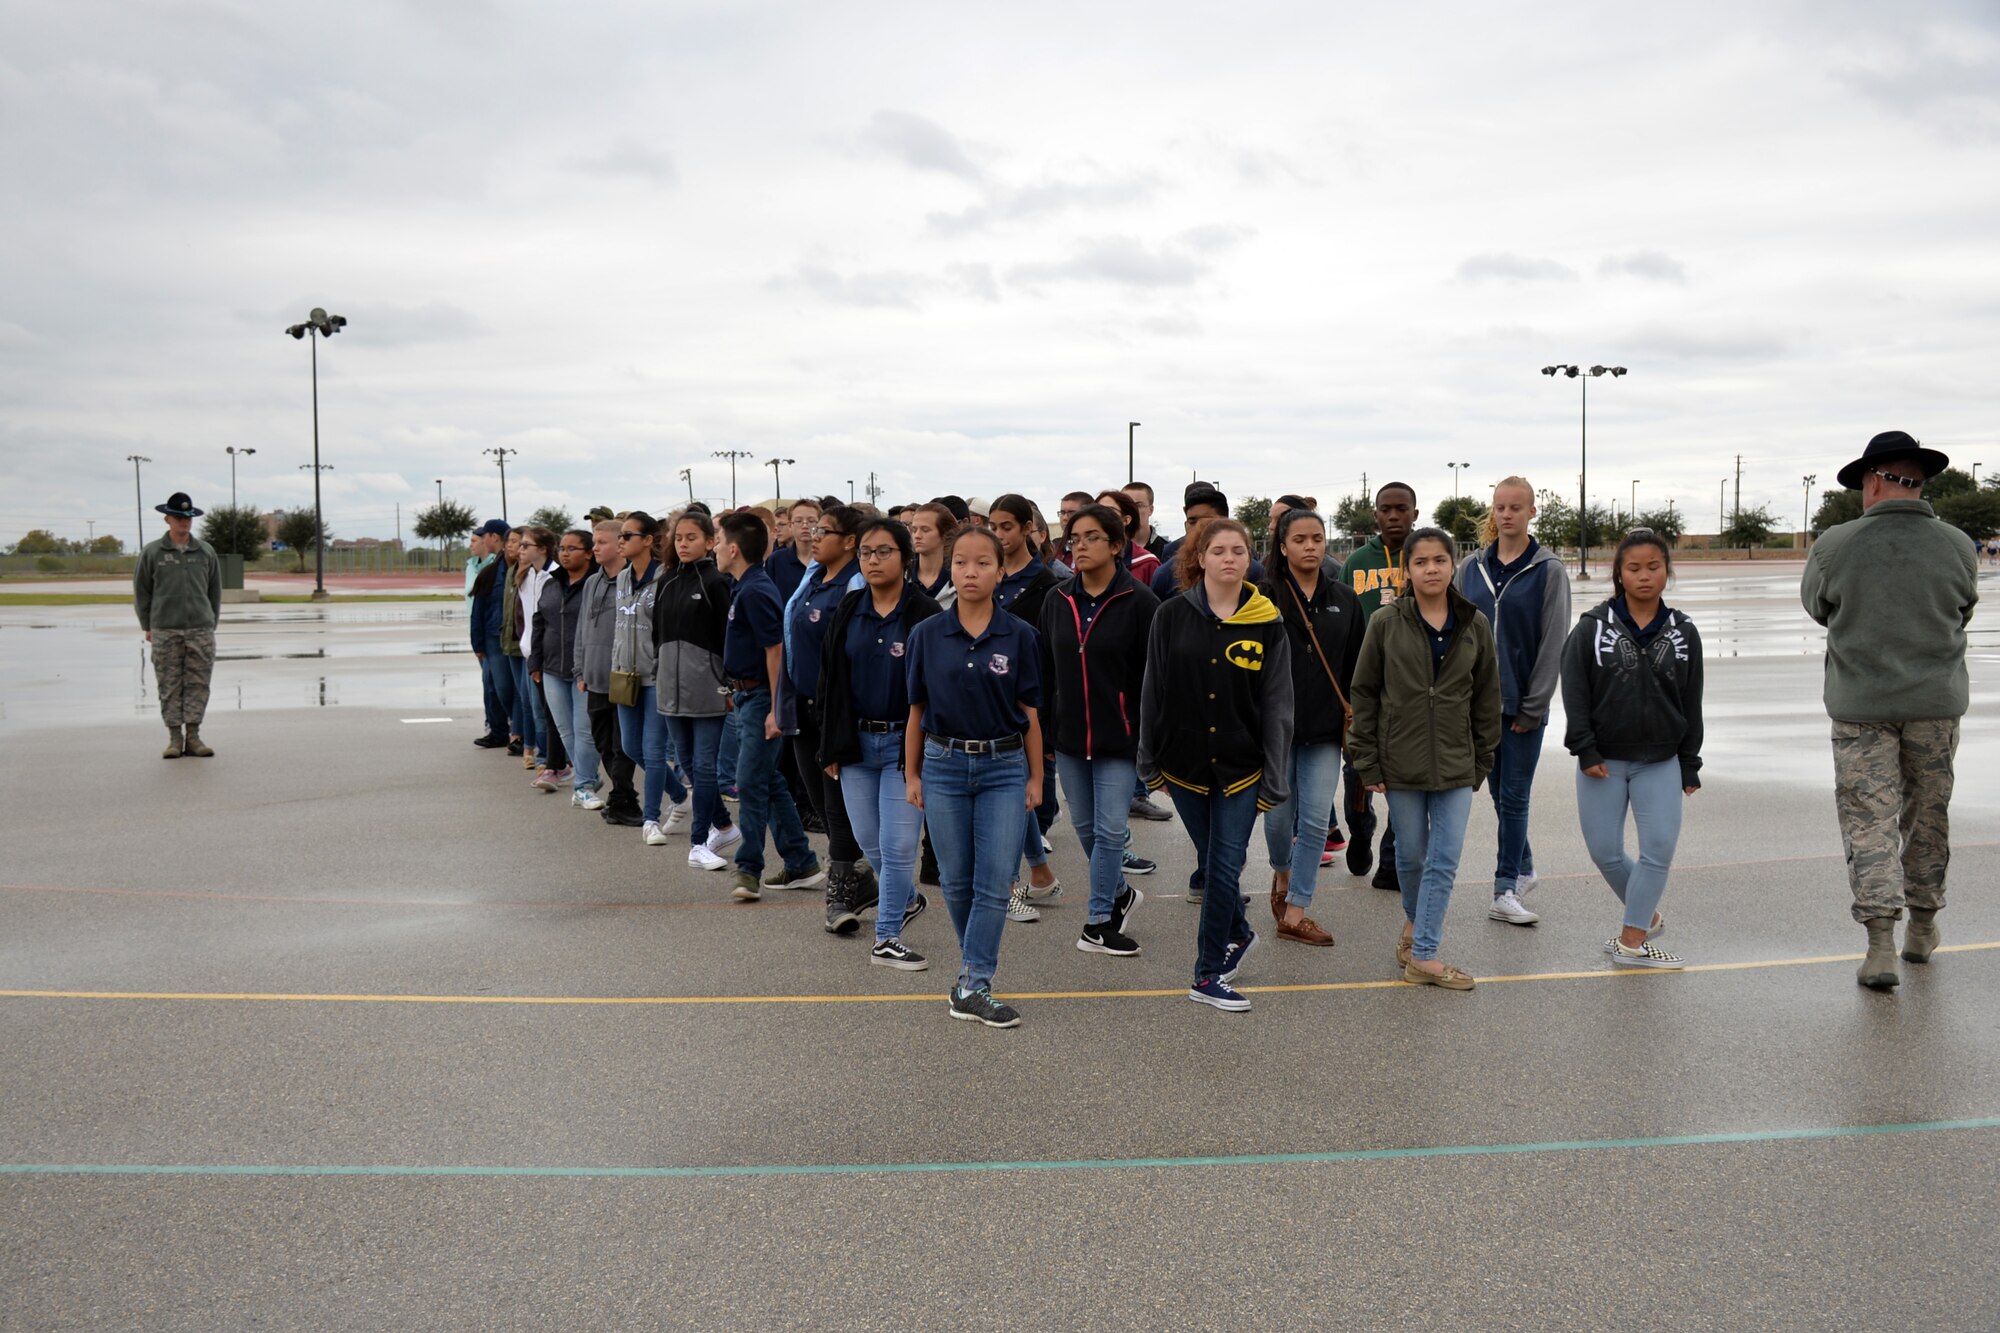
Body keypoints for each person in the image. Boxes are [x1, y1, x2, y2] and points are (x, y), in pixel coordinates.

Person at [1801, 430, 1978, 990]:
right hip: (1935, 704)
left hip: (1862, 706)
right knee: (1928, 814)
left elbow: (1817, 605)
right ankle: (1923, 928)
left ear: (1875, 480)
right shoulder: (1956, 544)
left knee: (1868, 818)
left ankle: (1880, 945)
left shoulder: (1835, 544)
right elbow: (1963, 608)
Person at [1138, 517, 1291, 1012]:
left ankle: (1206, 974)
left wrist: (1274, 776)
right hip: (1182, 765)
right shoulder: (1170, 615)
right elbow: (1152, 691)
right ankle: (1240, 933)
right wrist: (1149, 762)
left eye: (1239, 551)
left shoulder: (1268, 621)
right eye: (1218, 550)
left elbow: (1277, 704)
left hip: (1242, 767)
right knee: (1214, 863)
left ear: (1250, 559)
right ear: (1199, 558)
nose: (1229, 558)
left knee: (1226, 865)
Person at [1349, 526, 1500, 991]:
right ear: (1407, 569)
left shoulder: (1474, 623)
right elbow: (1365, 694)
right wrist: (1368, 763)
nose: (1431, 569)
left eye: (1439, 560)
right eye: (1421, 562)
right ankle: (1414, 926)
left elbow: (1488, 697)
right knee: (1411, 857)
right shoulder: (1386, 623)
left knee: (1444, 858)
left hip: (1457, 763)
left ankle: (1425, 954)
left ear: (1452, 565)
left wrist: (1481, 761)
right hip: (1401, 762)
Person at [905, 524, 1045, 1028]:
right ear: (950, 568)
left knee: (994, 882)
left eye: (983, 562)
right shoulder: (926, 634)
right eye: (961, 562)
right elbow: (916, 711)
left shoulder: (1021, 636)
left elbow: (1029, 713)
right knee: (956, 880)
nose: (971, 571)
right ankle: (971, 974)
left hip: (1005, 767)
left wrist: (1036, 779)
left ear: (1000, 571)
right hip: (941, 767)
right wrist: (913, 773)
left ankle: (973, 982)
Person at [1562, 528, 1703, 969]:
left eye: (1654, 567)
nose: (1644, 576)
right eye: (1634, 568)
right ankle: (1646, 914)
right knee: (1605, 851)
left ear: (1667, 571)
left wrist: (1689, 762)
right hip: (1602, 759)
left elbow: (1691, 700)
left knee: (1658, 849)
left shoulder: (1684, 630)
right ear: (1619, 574)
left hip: (1660, 759)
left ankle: (1631, 941)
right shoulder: (1591, 628)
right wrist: (1585, 749)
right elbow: (1575, 693)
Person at [818, 517, 940, 964]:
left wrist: (926, 753)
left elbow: (936, 689)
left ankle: (886, 936)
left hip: (905, 749)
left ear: (906, 558)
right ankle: (905, 899)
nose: (873, 559)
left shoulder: (926, 614)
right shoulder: (849, 610)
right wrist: (831, 746)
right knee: (869, 841)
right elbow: (829, 682)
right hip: (855, 747)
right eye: (866, 552)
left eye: (884, 551)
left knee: (899, 846)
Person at [1041, 503, 1159, 957]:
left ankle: (1098, 921)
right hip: (1069, 739)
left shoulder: (1141, 602)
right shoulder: (1058, 600)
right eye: (1075, 538)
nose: (1081, 546)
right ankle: (1121, 892)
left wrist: (1147, 735)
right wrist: (1047, 729)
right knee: (1089, 832)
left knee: (1110, 833)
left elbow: (1153, 677)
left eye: (1092, 537)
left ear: (1116, 545)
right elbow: (1046, 670)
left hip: (1119, 739)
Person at [1456, 477, 1571, 927]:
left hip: (1523, 706)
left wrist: (1534, 705)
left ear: (1531, 512)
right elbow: (1460, 633)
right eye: (1500, 507)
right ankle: (1523, 868)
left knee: (1516, 796)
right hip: (1479, 705)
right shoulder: (1470, 568)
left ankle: (1504, 889)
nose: (1507, 514)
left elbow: (1552, 642)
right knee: (1501, 796)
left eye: (1516, 507)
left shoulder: (1549, 570)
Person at [1259, 507, 1363, 947]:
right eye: (1299, 539)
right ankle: (1281, 875)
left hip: (1324, 732)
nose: (1310, 547)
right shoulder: (1262, 596)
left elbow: (1358, 667)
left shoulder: (1345, 598)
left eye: (1317, 539)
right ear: (1283, 547)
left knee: (1317, 820)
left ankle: (1297, 909)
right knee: (1279, 821)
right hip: (1276, 730)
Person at [715, 512, 825, 901]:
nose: (714, 548)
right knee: (770, 780)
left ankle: (748, 869)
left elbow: (775, 651)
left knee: (749, 783)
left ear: (733, 548)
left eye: (717, 540)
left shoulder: (756, 590)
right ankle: (801, 862)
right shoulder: (741, 586)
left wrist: (777, 709)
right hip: (747, 695)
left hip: (763, 697)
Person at [784, 505, 875, 927]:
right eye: (813, 529)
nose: (813, 536)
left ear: (850, 541)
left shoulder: (854, 587)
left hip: (834, 712)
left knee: (838, 807)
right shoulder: (814, 579)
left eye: (825, 531)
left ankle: (838, 897)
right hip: (801, 706)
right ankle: (864, 879)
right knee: (822, 805)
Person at [988, 494, 1063, 918]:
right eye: (993, 527)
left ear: (1028, 530)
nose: (999, 535)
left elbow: (1051, 658)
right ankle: (1041, 874)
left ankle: (1010, 886)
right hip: (987, 704)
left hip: (1027, 708)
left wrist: (1047, 720)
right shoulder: (988, 575)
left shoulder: (1046, 584)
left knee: (1013, 796)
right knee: (1013, 795)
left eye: (1007, 527)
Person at [653, 510, 741, 871]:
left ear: (709, 541)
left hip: (708, 688)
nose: (684, 544)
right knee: (687, 764)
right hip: (670, 690)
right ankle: (724, 825)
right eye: (679, 538)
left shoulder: (716, 581)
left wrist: (729, 683)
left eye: (692, 537)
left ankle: (699, 841)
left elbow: (729, 637)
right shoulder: (667, 580)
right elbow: (657, 635)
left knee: (705, 768)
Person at [1343, 482, 1419, 890]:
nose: (1394, 516)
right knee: (1356, 776)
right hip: (1364, 693)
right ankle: (1361, 828)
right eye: (1386, 509)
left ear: (1414, 513)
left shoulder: (1425, 558)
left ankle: (1390, 861)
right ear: (1376, 515)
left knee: (1407, 786)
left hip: (1409, 695)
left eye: (1401, 509)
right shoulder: (1356, 562)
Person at [611, 512, 690, 846]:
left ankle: (650, 820)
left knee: (654, 751)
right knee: (631, 747)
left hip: (656, 676)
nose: (621, 541)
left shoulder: (666, 578)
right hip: (625, 676)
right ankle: (680, 795)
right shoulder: (622, 577)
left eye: (627, 536)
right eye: (620, 536)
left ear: (647, 540)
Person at [133, 491, 223, 758]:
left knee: (198, 683)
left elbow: (214, 591)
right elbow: (142, 591)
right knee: (169, 683)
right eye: (179, 517)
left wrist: (210, 622)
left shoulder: (205, 551)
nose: (185, 522)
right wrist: (147, 624)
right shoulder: (152, 552)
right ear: (167, 520)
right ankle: (174, 738)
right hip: (165, 628)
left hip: (200, 629)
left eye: (188, 517)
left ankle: (194, 737)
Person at [579, 519, 641, 824]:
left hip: (621, 677)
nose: (595, 547)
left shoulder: (632, 582)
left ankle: (623, 798)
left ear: (620, 544)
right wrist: (580, 669)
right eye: (593, 541)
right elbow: (582, 629)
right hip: (593, 677)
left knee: (622, 744)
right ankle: (623, 795)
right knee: (603, 741)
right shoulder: (592, 582)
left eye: (601, 542)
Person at [531, 529, 598, 801]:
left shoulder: (597, 583)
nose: (565, 553)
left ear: (589, 553)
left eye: (572, 548)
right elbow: (539, 622)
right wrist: (535, 661)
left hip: (583, 669)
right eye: (562, 548)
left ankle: (583, 785)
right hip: (551, 669)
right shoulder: (551, 582)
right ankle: (587, 778)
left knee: (584, 730)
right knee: (564, 729)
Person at [516, 527, 568, 786]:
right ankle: (555, 761)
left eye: (526, 545)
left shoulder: (556, 575)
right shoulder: (526, 576)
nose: (520, 549)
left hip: (551, 655)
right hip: (532, 652)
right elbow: (524, 616)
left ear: (543, 549)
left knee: (552, 713)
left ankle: (555, 764)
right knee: (541, 711)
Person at [468, 520, 515, 752]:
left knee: (507, 687)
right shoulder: (490, 572)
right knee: (493, 685)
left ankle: (516, 733)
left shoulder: (514, 571)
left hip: (510, 638)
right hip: (492, 638)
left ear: (494, 537)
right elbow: (478, 608)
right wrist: (477, 642)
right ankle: (499, 731)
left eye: (484, 535)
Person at [768, 498, 817, 600]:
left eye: (811, 521)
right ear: (790, 525)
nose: (805, 525)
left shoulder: (827, 561)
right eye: (798, 521)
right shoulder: (777, 560)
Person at [907, 501, 956, 600]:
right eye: (914, 530)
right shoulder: (901, 576)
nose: (917, 536)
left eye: (925, 530)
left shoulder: (958, 577)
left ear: (945, 533)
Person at [1123, 481, 1168, 560]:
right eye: (1127, 505)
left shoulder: (1166, 551)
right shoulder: (1112, 549)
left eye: (1138, 505)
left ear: (1151, 510)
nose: (1132, 510)